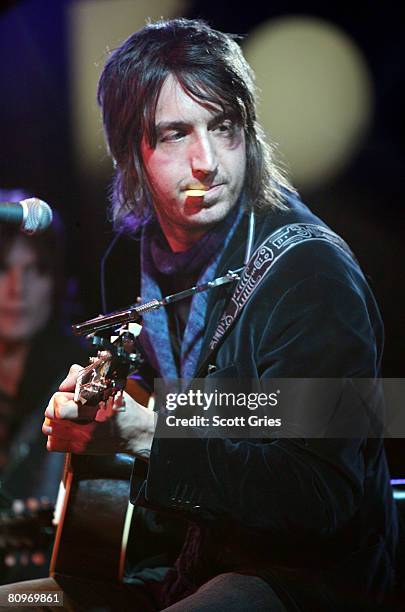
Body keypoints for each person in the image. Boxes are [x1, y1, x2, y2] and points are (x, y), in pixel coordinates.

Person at [0, 18, 398, 611]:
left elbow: (323, 496)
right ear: (131, 153)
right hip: (183, 565)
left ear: (249, 132)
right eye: (175, 134)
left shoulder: (314, 275)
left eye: (223, 127)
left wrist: (148, 434)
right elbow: (226, 412)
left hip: (301, 582)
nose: (207, 160)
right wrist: (105, 411)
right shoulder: (155, 256)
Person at [0, 191, 88, 584]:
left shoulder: (78, 378)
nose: (17, 288)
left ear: (55, 281)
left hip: (38, 593)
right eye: (3, 268)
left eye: (35, 270)